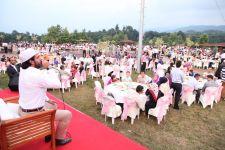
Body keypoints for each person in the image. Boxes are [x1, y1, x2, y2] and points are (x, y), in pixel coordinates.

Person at [18, 48, 72, 145]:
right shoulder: (36, 74)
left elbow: (36, 88)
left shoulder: (23, 70)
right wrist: (48, 68)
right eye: (38, 57)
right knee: (67, 114)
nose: (41, 59)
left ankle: (49, 131)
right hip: (34, 114)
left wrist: (47, 100)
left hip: (23, 109)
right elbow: (57, 84)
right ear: (31, 61)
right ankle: (59, 139)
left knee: (53, 105)